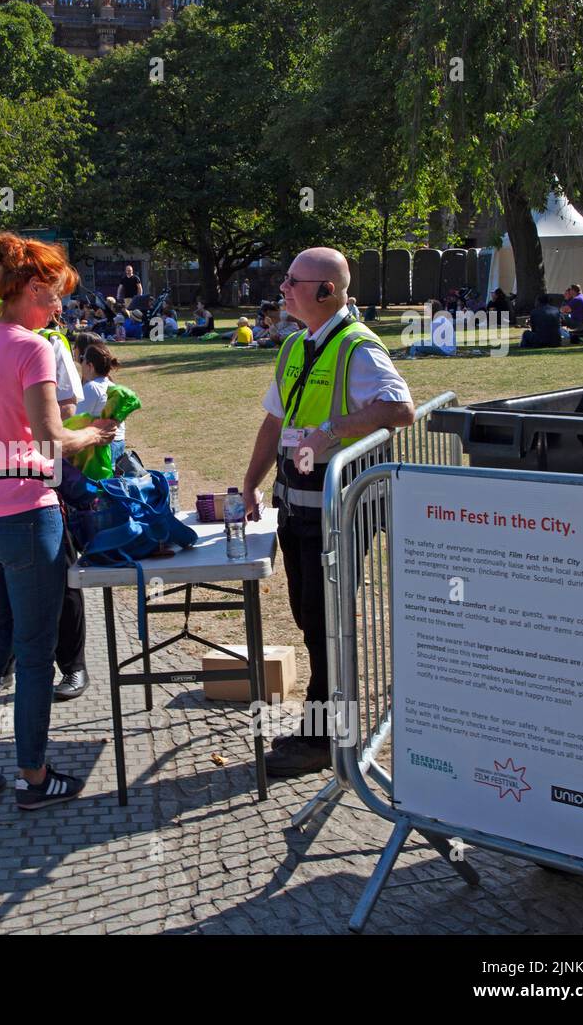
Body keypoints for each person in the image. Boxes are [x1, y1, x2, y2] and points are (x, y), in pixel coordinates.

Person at [0, 231, 116, 811]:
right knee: (36, 647)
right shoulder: (34, 346)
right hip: (26, 510)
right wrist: (93, 433)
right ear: (35, 287)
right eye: (57, 295)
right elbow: (51, 437)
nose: (61, 307)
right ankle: (34, 777)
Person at [241, 247, 413, 777]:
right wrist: (251, 482)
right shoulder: (295, 345)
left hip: (337, 513)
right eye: (286, 280)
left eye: (294, 281)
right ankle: (325, 733)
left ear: (327, 292)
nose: (284, 289)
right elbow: (275, 422)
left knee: (325, 623)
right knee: (309, 618)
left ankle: (327, 739)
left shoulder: (358, 348)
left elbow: (400, 408)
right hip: (297, 509)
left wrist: (332, 430)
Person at [77, 343, 126, 463]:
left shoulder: (92, 387)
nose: (81, 363)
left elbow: (76, 422)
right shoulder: (113, 386)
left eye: (83, 359)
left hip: (103, 447)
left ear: (90, 365)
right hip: (119, 443)